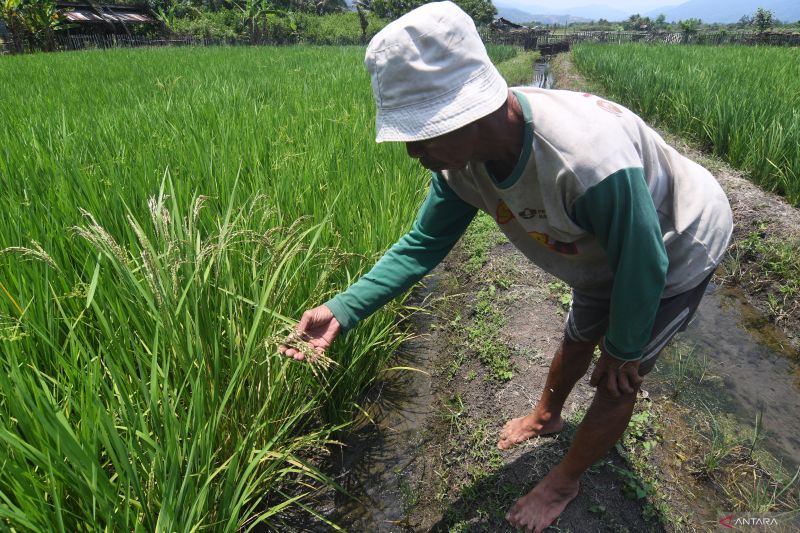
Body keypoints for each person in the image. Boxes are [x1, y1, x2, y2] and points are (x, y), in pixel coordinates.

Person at [279, 2, 733, 531]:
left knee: (617, 375)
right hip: (596, 246)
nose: (411, 151)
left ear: (469, 110)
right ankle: (547, 415)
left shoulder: (584, 158)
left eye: (421, 132)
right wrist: (342, 309)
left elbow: (644, 259)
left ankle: (565, 481)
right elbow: (423, 243)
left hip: (676, 240)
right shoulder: (459, 166)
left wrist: (625, 346)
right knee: (579, 331)